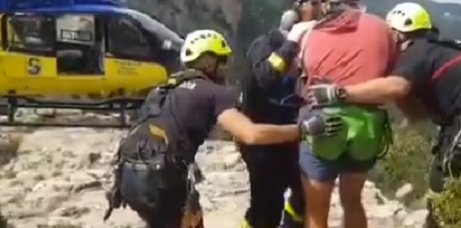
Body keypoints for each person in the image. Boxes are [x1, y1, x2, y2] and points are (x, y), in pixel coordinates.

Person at [103, 29, 344, 228]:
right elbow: (251, 133)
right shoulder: (213, 93)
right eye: (223, 60)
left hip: (128, 173)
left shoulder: (166, 87)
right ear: (209, 61)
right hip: (160, 177)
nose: (227, 67)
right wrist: (303, 130)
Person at [306, 2, 461, 228]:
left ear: (397, 35)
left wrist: (340, 93)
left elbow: (397, 87)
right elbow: (417, 115)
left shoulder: (417, 50)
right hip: (454, 125)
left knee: (446, 190)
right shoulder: (440, 49)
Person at [297, 0, 398, 228]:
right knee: (352, 201)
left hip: (323, 123)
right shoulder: (382, 28)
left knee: (317, 210)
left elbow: (301, 73)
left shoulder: (311, 32)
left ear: (328, 2)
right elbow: (390, 71)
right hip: (367, 126)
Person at [237, 0, 318, 228]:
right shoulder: (266, 44)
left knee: (305, 193)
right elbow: (265, 78)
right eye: (310, 7)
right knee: (265, 207)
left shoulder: (310, 49)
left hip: (294, 136)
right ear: (292, 16)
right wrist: (291, 43)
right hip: (262, 141)